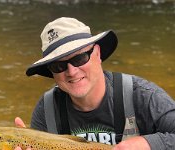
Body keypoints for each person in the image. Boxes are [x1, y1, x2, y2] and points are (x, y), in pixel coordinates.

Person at [15, 17, 175, 150]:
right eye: (59, 66)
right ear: (52, 72)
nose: (71, 71)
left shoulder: (143, 97)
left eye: (79, 58)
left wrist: (148, 144)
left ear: (97, 53)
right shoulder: (46, 111)